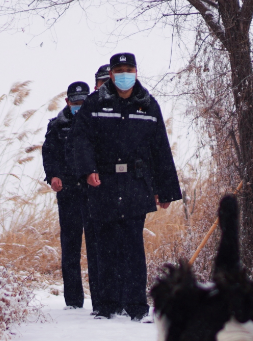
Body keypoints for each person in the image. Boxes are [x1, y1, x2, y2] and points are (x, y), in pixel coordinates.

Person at [68, 52, 182, 320]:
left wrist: (165, 190)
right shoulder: (95, 103)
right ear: (111, 74)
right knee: (105, 246)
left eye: (128, 69)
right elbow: (79, 140)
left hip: (135, 184)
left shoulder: (148, 105)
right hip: (103, 184)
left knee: (133, 246)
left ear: (136, 72)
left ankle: (136, 307)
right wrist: (87, 171)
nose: (123, 74)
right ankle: (106, 306)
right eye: (119, 69)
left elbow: (160, 148)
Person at [42, 81, 99, 309]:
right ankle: (73, 301)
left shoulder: (96, 122)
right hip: (68, 194)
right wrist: (53, 176)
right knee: (70, 247)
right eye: (75, 102)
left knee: (96, 247)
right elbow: (49, 153)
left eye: (82, 102)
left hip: (92, 193)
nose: (78, 106)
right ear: (67, 102)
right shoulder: (56, 125)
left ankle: (100, 299)